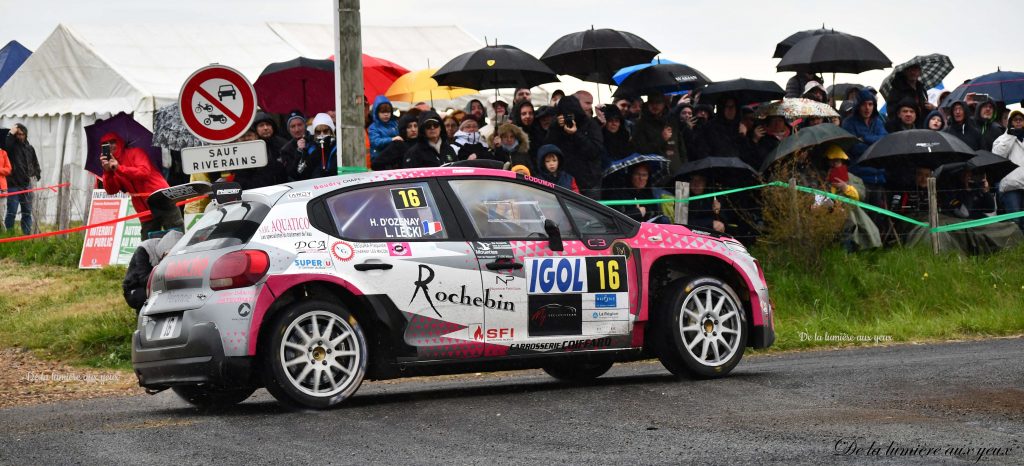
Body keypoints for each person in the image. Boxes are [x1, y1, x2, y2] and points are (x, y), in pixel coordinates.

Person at [100, 131, 181, 239]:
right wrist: (108, 172)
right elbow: (112, 190)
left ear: (119, 142)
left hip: (161, 198)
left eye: (113, 142)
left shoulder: (136, 152)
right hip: (144, 209)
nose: (110, 145)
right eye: (105, 144)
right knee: (147, 244)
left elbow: (144, 172)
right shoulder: (111, 167)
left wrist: (119, 168)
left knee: (177, 236)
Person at [543, 95, 605, 199]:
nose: (569, 117)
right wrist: (555, 127)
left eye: (571, 114)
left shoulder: (590, 125)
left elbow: (595, 151)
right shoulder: (557, 127)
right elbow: (548, 149)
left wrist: (576, 134)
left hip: (589, 183)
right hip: (565, 181)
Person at [842, 89, 888, 205]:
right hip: (859, 177)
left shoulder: (878, 121)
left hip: (878, 176)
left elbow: (885, 141)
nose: (867, 108)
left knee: (877, 217)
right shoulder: (849, 123)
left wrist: (865, 138)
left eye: (870, 104)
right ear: (858, 106)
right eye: (863, 104)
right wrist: (875, 143)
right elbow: (854, 147)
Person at [122, 229, 182, 313]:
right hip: (137, 287)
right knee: (149, 297)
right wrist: (162, 267)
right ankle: (143, 316)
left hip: (160, 284)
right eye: (168, 256)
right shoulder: (144, 250)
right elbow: (144, 280)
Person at [632, 94, 685, 177]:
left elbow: (681, 147)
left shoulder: (672, 121)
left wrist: (685, 167)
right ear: (648, 104)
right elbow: (641, 150)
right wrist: (661, 138)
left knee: (682, 190)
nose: (655, 106)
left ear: (664, 104)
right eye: (652, 103)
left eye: (658, 102)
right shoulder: (640, 125)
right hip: (656, 174)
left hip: (678, 170)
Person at [3, 125, 41, 234]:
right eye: (17, 134)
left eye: (21, 134)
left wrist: (37, 174)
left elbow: (35, 163)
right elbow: (6, 145)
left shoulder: (30, 148)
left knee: (27, 212)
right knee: (12, 212)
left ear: (25, 135)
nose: (19, 136)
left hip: (26, 185)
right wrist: (11, 132)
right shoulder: (11, 147)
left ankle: (27, 236)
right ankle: (9, 236)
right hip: (13, 185)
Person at [992, 109, 1024, 230]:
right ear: (1010, 122)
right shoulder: (1002, 139)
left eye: (1021, 120)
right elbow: (997, 156)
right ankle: (1016, 248)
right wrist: (1011, 136)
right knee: (1015, 222)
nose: (1018, 122)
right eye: (1015, 120)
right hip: (1011, 187)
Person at [289, 113, 337, 180]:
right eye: (318, 132)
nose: (322, 134)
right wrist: (300, 152)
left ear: (331, 131)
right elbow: (297, 173)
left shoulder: (336, 147)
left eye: (325, 131)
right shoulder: (310, 147)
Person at [367, 96, 399, 160]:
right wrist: (392, 139)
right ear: (376, 113)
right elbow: (376, 142)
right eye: (382, 112)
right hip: (379, 159)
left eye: (388, 112)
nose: (386, 114)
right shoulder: (373, 127)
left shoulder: (395, 124)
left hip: (393, 158)